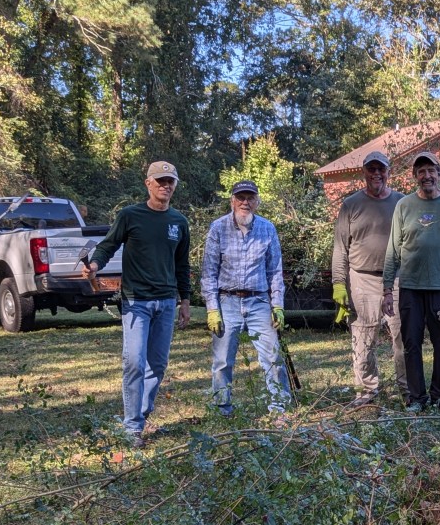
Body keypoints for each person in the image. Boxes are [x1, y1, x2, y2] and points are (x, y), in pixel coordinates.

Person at [84, 161, 191, 447]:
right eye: (160, 181)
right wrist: (94, 263)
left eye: (170, 181)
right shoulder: (130, 216)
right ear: (148, 183)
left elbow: (182, 264)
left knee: (157, 365)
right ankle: (131, 427)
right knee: (134, 362)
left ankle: (140, 416)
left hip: (167, 302)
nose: (165, 186)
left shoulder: (179, 222)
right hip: (136, 302)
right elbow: (108, 245)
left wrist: (185, 300)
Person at [382, 151, 440, 412]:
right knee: (411, 343)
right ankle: (417, 398)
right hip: (410, 287)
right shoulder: (404, 206)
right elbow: (393, 249)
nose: (427, 176)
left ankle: (439, 396)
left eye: (431, 170)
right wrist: (387, 289)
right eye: (421, 171)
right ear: (414, 176)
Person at [200, 179, 291, 418]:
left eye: (250, 198)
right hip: (226, 301)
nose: (245, 202)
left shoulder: (267, 228)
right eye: (240, 198)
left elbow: (275, 271)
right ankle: (222, 409)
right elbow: (209, 272)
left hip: (259, 301)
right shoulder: (218, 228)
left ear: (257, 202)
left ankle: (279, 408)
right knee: (222, 361)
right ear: (232, 201)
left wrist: (278, 305)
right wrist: (212, 308)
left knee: (272, 356)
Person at [332, 151, 408, 408]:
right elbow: (340, 248)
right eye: (371, 169)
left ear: (389, 172)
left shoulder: (402, 202)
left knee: (403, 335)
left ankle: (407, 389)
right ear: (363, 172)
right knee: (364, 336)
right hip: (362, 278)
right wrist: (339, 284)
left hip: (397, 279)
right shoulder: (350, 204)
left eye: (381, 169)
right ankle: (366, 391)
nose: (376, 174)